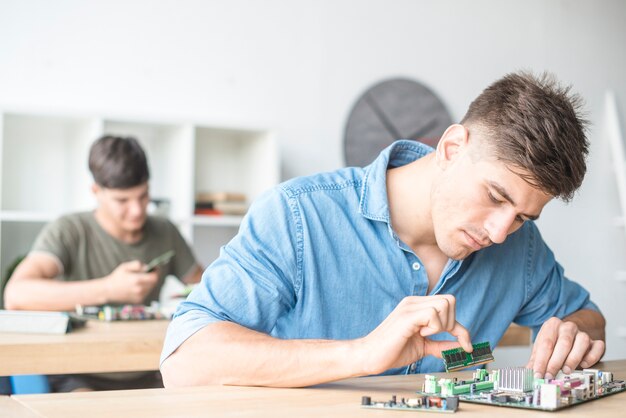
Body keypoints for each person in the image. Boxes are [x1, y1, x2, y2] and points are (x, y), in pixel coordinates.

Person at [160, 71, 605, 388]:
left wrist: (574, 333)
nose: (500, 231)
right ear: (451, 148)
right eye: (495, 196)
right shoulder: (298, 215)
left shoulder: (521, 248)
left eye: (523, 217)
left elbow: (587, 317)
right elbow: (184, 361)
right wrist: (362, 354)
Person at [4, 135, 203, 392]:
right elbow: (16, 295)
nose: (137, 210)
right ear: (96, 192)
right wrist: (109, 288)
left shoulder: (165, 231)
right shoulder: (69, 230)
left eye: (143, 197)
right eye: (122, 201)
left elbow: (206, 286)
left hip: (153, 370)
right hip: (78, 374)